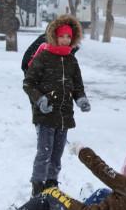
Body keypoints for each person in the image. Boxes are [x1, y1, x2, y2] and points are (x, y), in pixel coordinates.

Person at [23, 15, 91, 196]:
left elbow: (77, 86)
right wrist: (40, 99)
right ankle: (37, 187)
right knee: (44, 153)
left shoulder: (71, 60)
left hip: (64, 116)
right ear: (55, 36)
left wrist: (81, 99)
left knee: (56, 155)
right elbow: (28, 83)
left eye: (69, 37)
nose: (65, 40)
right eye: (62, 36)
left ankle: (52, 185)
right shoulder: (44, 57)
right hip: (46, 114)